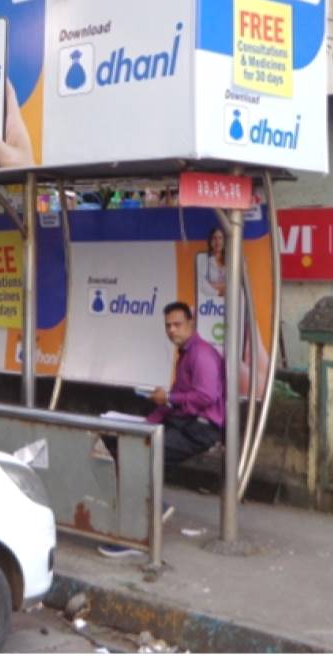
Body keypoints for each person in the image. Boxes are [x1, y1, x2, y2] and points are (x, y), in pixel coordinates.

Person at [98, 302, 225, 559]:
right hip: (183, 422)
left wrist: (168, 398)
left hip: (200, 428)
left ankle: (138, 530)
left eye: (177, 324)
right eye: (168, 325)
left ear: (191, 324)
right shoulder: (186, 353)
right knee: (118, 440)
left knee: (142, 457)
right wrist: (149, 421)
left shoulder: (201, 354)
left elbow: (205, 396)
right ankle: (142, 511)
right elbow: (174, 400)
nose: (172, 330)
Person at [196, 225, 227, 300]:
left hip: (230, 302)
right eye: (214, 238)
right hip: (209, 303)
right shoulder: (203, 259)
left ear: (224, 240)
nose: (217, 241)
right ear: (210, 241)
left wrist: (212, 285)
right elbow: (201, 284)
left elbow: (235, 284)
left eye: (220, 238)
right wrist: (219, 292)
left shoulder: (231, 260)